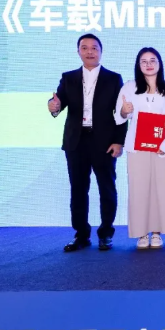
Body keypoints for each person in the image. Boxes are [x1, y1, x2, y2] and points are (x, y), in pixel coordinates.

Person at [47, 33, 127, 252]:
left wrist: (119, 141)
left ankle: (106, 233)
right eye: (84, 48)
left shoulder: (114, 78)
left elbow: (121, 113)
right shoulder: (68, 78)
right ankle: (81, 235)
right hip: (76, 142)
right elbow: (58, 103)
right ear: (78, 51)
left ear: (101, 51)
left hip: (104, 142)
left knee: (107, 188)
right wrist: (53, 107)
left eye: (94, 48)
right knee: (78, 189)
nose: (89, 52)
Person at [115, 47, 165, 249]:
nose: (149, 64)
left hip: (161, 146)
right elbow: (119, 116)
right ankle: (141, 233)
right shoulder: (129, 87)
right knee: (139, 188)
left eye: (153, 60)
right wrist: (124, 111)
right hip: (137, 146)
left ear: (160, 63)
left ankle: (157, 232)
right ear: (138, 65)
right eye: (144, 61)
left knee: (161, 188)